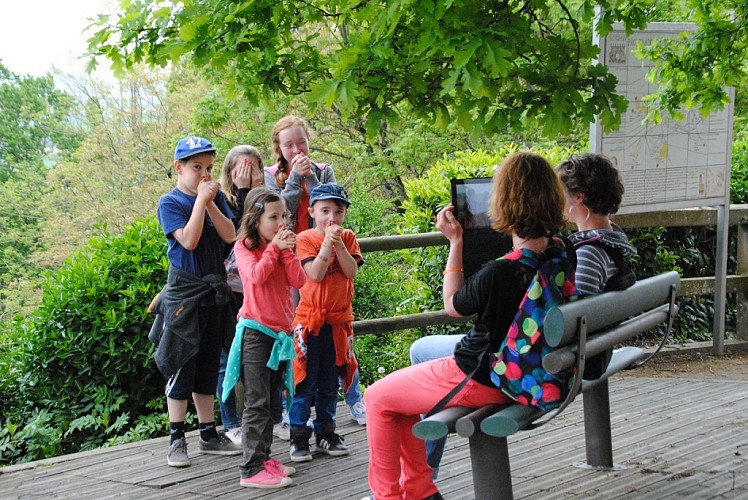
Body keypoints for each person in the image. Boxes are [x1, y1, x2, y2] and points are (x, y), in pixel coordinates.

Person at [407, 151, 638, 479]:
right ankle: (423, 470)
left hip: (540, 363)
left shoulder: (586, 255)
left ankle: (423, 473)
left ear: (578, 198)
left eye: (560, 193)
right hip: (572, 352)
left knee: (420, 350)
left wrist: (466, 249)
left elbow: (563, 315)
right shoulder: (610, 242)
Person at [362, 151, 568, 500]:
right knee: (399, 400)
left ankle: (390, 496)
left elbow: (453, 307)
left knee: (377, 397)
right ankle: (418, 490)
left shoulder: (500, 271)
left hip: (482, 375)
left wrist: (455, 243)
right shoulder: (563, 253)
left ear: (502, 204)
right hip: (530, 370)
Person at [266, 114, 366, 427]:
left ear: (309, 140)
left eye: (301, 142)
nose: (296, 149)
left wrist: (310, 179)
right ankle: (292, 409)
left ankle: (353, 398)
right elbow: (280, 214)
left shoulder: (323, 170)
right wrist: (295, 179)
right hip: (291, 260)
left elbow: (328, 202)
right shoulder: (272, 175)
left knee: (337, 331)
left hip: (326, 257)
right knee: (296, 333)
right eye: (288, 144)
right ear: (278, 148)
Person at [151, 136, 242, 468]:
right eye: (196, 168)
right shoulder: (170, 202)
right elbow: (188, 241)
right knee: (181, 362)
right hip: (184, 293)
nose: (204, 174)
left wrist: (212, 201)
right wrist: (201, 202)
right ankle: (177, 437)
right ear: (179, 168)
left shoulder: (214, 197)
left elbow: (230, 234)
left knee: (207, 363)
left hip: (214, 292)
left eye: (208, 168)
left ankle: (207, 432)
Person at [223, 187, 306, 488]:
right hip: (256, 334)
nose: (281, 223)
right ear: (256, 219)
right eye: (273, 217)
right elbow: (256, 277)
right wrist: (274, 250)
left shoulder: (281, 247)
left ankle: (265, 458)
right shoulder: (244, 247)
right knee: (256, 403)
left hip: (280, 334)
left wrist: (287, 252)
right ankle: (251, 468)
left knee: (272, 401)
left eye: (283, 215)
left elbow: (299, 280)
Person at [288, 183, 363, 462]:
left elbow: (351, 270)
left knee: (330, 382)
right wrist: (326, 246)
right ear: (311, 212)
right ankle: (298, 436)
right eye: (325, 211)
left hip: (337, 324)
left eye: (338, 211)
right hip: (309, 322)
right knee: (304, 382)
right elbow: (315, 274)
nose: (331, 217)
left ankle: (326, 432)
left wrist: (339, 243)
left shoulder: (349, 237)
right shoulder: (305, 239)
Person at [215, 145, 266, 445]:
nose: (247, 174)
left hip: (258, 292)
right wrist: (243, 191)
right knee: (226, 359)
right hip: (229, 293)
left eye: (253, 168)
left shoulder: (268, 201)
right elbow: (239, 234)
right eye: (240, 168)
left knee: (258, 359)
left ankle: (264, 418)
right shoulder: (220, 202)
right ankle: (230, 422)